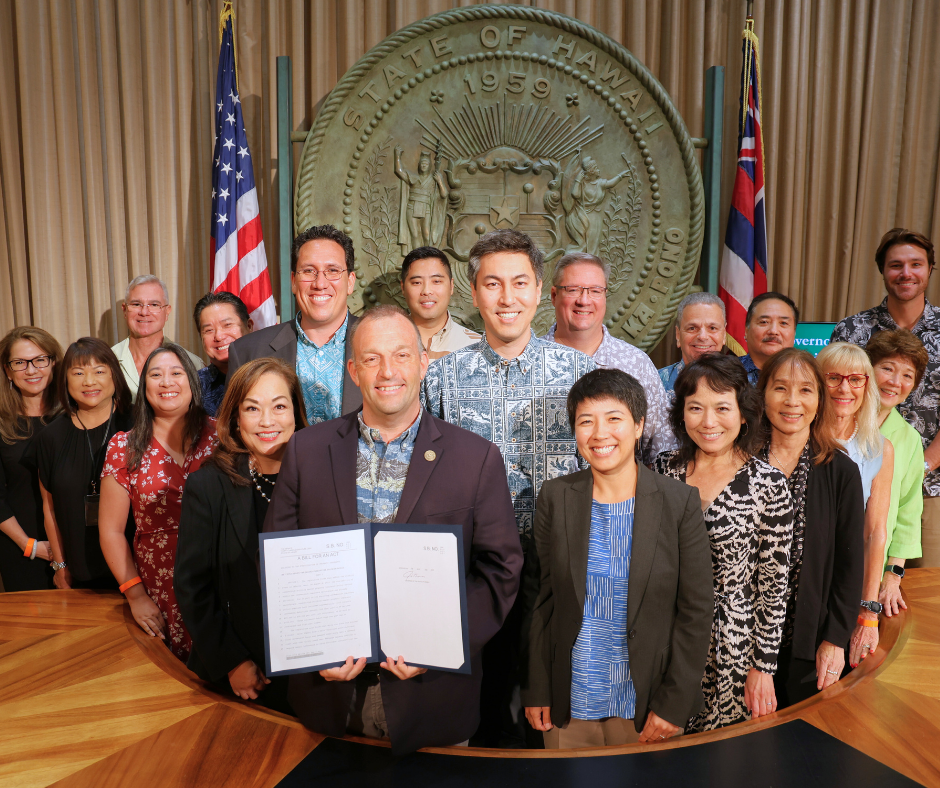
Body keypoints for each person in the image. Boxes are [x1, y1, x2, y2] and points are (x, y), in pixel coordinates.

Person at [264, 305, 522, 756]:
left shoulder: (476, 458)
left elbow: (500, 570)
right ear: (353, 371)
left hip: (432, 696)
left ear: (423, 363)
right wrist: (312, 649)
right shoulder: (307, 450)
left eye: (401, 355)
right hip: (330, 695)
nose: (388, 371)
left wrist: (440, 645)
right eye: (372, 358)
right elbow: (279, 566)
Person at [421, 229, 595, 747]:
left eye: (519, 283)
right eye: (492, 284)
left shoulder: (579, 373)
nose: (506, 298)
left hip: (557, 561)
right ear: (473, 293)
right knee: (484, 707)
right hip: (474, 566)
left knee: (549, 710)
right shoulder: (442, 378)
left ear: (539, 291)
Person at [521, 369, 713, 747]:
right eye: (586, 421)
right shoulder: (555, 497)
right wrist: (537, 687)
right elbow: (539, 600)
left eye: (614, 418)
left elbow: (696, 610)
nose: (600, 433)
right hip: (569, 700)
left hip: (648, 704)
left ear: (638, 425)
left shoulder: (678, 502)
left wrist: (674, 704)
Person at [654, 354, 793, 731]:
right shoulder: (664, 469)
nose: (708, 421)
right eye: (695, 408)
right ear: (681, 414)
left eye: (722, 408)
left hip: (731, 645)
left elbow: (773, 586)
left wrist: (763, 667)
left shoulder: (768, 485)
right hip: (666, 636)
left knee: (721, 754)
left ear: (743, 414)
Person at [175, 358, 307, 712]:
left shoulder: (323, 477)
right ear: (235, 418)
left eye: (279, 406)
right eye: (252, 408)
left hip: (315, 667)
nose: (267, 421)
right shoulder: (208, 484)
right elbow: (192, 585)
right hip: (246, 672)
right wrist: (232, 661)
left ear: (296, 413)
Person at [757, 349, 865, 707]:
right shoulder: (738, 462)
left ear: (819, 400)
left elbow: (850, 566)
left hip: (808, 641)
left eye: (805, 390)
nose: (792, 401)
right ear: (762, 394)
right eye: (780, 388)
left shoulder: (841, 471)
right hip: (740, 641)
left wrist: (834, 640)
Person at [99, 344, 217, 661]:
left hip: (218, 576)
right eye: (155, 375)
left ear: (192, 382)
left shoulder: (222, 437)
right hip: (159, 585)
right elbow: (110, 531)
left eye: (176, 373)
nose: (166, 382)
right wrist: (135, 595)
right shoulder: (123, 446)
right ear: (144, 386)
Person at [831, 229, 940, 566]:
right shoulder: (852, 330)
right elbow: (833, 398)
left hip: (931, 487)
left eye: (915, 264)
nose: (906, 273)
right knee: (856, 577)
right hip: (856, 479)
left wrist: (921, 465)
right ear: (882, 270)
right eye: (896, 265)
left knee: (920, 587)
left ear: (929, 268)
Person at [545, 251, 676, 464]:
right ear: (553, 295)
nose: (584, 300)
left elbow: (661, 449)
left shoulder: (636, 364)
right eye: (573, 290)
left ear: (605, 296)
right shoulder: (528, 363)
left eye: (595, 291)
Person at [227, 225, 362, 424]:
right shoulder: (247, 352)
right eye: (308, 271)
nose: (320, 283)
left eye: (332, 271)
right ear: (293, 281)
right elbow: (234, 432)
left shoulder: (383, 344)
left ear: (350, 282)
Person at [816, 343, 893, 668]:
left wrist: (868, 613)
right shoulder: (800, 436)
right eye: (833, 377)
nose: (844, 389)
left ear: (867, 385)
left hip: (843, 585)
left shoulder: (879, 448)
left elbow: (875, 533)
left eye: (856, 379)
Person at [35, 339, 133, 590]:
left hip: (138, 570)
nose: (89, 381)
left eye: (99, 371)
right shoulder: (50, 437)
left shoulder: (138, 424)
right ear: (65, 380)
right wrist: (60, 565)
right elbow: (49, 508)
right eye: (78, 373)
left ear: (114, 375)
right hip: (79, 573)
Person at [866, 330, 928, 615]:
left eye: (907, 375)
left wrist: (892, 576)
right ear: (868, 369)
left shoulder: (910, 439)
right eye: (887, 369)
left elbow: (908, 511)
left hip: (874, 568)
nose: (895, 382)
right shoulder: (836, 419)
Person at [0, 327, 61, 591]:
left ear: (53, 362)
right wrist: (29, 546)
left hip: (76, 548)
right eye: (20, 363)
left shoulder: (74, 417)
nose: (31, 370)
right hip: (20, 550)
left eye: (40, 360)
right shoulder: (1, 423)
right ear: (7, 370)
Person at [112, 274, 203, 401]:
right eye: (136, 304)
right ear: (124, 310)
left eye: (154, 305)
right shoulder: (107, 361)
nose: (144, 312)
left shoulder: (193, 364)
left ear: (167, 311)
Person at [399, 246, 480, 359]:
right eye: (417, 282)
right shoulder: (385, 342)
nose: (426, 291)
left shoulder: (477, 348)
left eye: (436, 281)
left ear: (451, 286)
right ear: (403, 287)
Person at [192, 291, 253, 416]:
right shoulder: (192, 386)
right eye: (209, 330)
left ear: (249, 326)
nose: (219, 336)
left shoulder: (273, 374)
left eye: (227, 325)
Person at [658, 292, 728, 394]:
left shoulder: (741, 384)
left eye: (712, 328)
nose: (702, 337)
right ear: (678, 335)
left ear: (724, 335)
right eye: (692, 328)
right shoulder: (655, 383)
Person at [739, 292, 798, 385]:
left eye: (783, 323)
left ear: (794, 333)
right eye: (764, 322)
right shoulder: (726, 373)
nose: (773, 331)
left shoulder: (808, 375)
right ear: (746, 331)